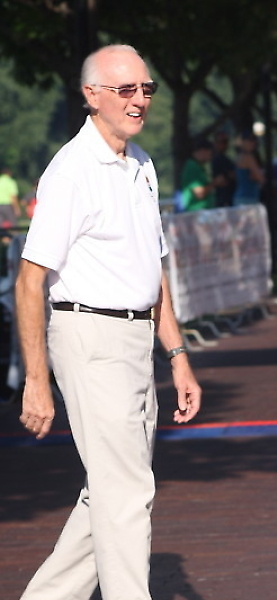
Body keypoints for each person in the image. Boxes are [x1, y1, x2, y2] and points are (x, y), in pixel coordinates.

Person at [15, 44, 201, 600]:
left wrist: (179, 357)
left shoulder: (141, 164)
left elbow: (153, 270)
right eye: (126, 89)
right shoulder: (71, 172)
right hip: (90, 338)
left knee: (111, 492)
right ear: (91, 96)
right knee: (126, 493)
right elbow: (29, 281)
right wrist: (36, 380)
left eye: (147, 88)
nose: (139, 99)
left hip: (136, 340)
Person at [180, 135, 226, 211]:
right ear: (203, 151)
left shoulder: (199, 166)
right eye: (210, 153)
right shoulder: (192, 167)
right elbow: (199, 193)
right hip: (196, 212)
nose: (211, 157)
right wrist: (215, 183)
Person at [232, 131, 264, 206]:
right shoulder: (248, 157)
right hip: (247, 199)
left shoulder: (239, 156)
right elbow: (261, 178)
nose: (252, 143)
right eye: (249, 140)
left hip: (242, 198)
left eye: (253, 140)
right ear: (242, 142)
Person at [211, 130, 237, 207]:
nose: (223, 144)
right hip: (223, 198)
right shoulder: (215, 159)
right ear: (215, 143)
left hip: (230, 196)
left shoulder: (226, 159)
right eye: (220, 142)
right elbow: (221, 180)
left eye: (225, 142)